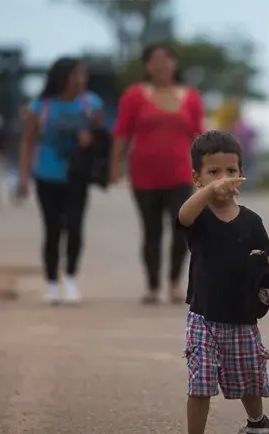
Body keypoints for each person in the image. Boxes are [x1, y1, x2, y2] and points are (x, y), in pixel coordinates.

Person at [177, 131, 269, 434]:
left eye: (231, 171)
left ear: (241, 175)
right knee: (201, 381)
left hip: (243, 316)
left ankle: (257, 423)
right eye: (214, 172)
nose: (223, 179)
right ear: (198, 178)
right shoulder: (199, 217)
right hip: (203, 315)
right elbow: (183, 216)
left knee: (248, 377)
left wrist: (268, 280)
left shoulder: (251, 221)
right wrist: (207, 194)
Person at [111, 42, 205, 305]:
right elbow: (121, 132)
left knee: (181, 228)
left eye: (166, 59)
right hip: (144, 174)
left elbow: (199, 135)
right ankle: (152, 285)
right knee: (151, 230)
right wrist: (114, 165)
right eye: (155, 60)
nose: (161, 65)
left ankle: (174, 283)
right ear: (147, 65)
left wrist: (207, 169)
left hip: (180, 173)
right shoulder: (134, 95)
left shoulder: (190, 96)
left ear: (175, 64)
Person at [18, 57, 104, 305]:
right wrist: (23, 177)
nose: (80, 80)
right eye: (75, 75)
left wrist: (92, 141)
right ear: (61, 78)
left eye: (83, 75)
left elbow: (102, 139)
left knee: (75, 227)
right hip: (47, 175)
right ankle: (52, 282)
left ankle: (70, 277)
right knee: (53, 229)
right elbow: (28, 142)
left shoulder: (91, 104)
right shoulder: (41, 106)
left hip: (77, 176)